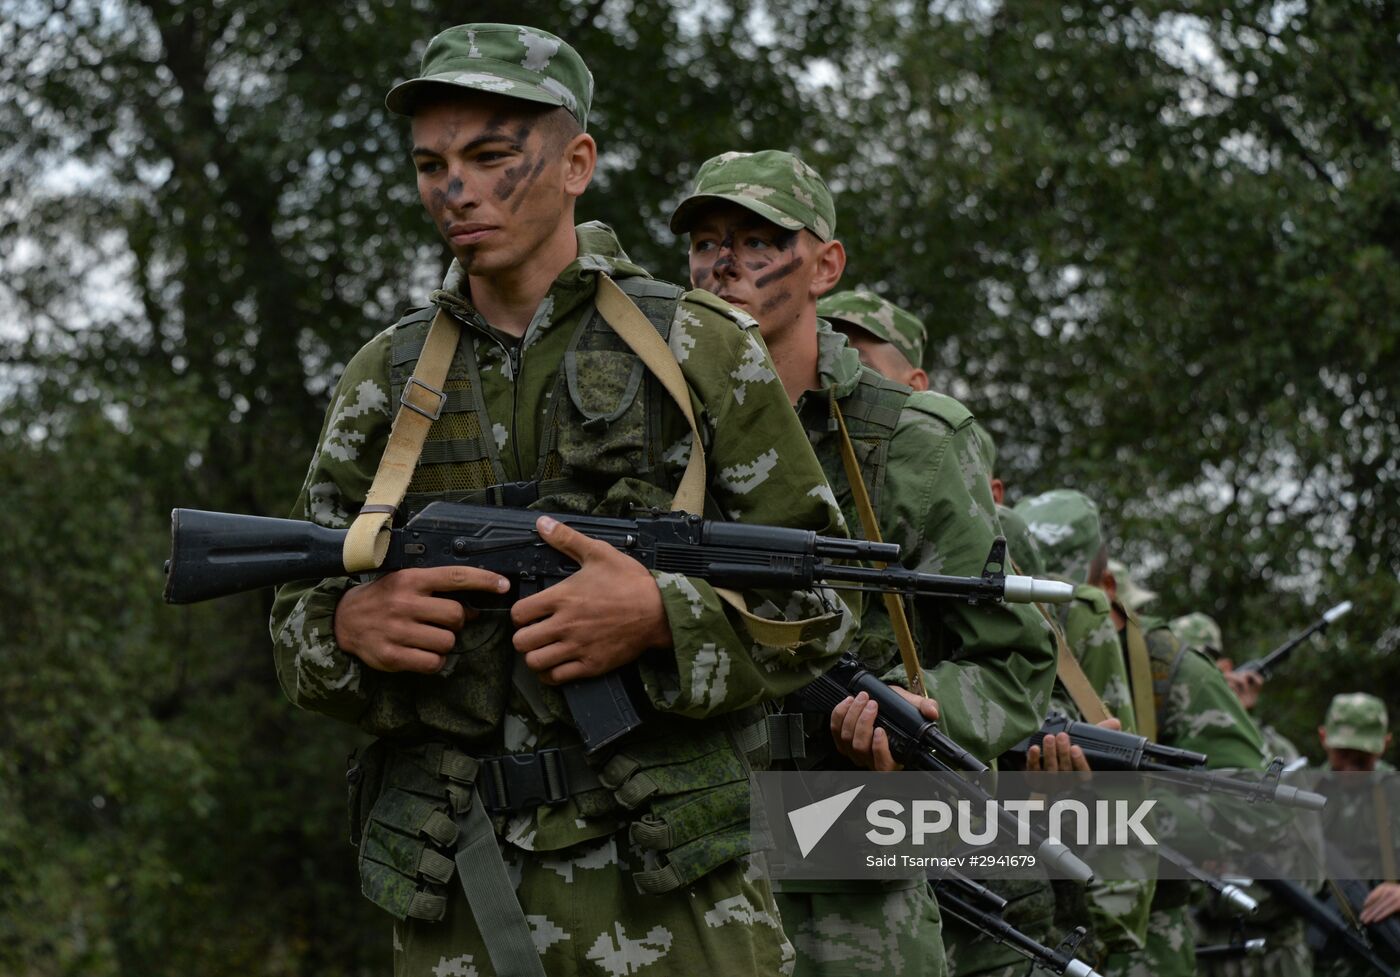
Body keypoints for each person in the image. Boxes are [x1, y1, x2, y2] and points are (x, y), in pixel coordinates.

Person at [269, 26, 859, 977]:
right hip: (456, 891)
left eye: (490, 156)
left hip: (678, 894)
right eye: (431, 165)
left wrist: (661, 616)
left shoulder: (701, 348)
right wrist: (349, 627)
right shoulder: (387, 376)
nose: (455, 189)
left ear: (576, 163)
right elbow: (296, 606)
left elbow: (824, 603)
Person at [672, 150, 1058, 977]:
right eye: (705, 243)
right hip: (684, 855)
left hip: (846, 864)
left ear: (826, 266)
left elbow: (1016, 661)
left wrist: (919, 707)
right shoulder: (652, 423)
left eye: (757, 240)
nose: (724, 264)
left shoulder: (913, 439)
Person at [1169, 612, 1311, 977]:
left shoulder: (1278, 752)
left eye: (1201, 667)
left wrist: (1238, 721)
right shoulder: (1165, 749)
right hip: (1196, 952)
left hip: (1272, 956)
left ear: (1225, 669)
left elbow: (1307, 869)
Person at [1313, 693, 1400, 977]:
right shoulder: (1301, 792)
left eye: (1362, 759)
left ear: (1385, 744)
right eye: (1342, 754)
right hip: (1317, 953)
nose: (1350, 768)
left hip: (1386, 952)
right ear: (1323, 738)